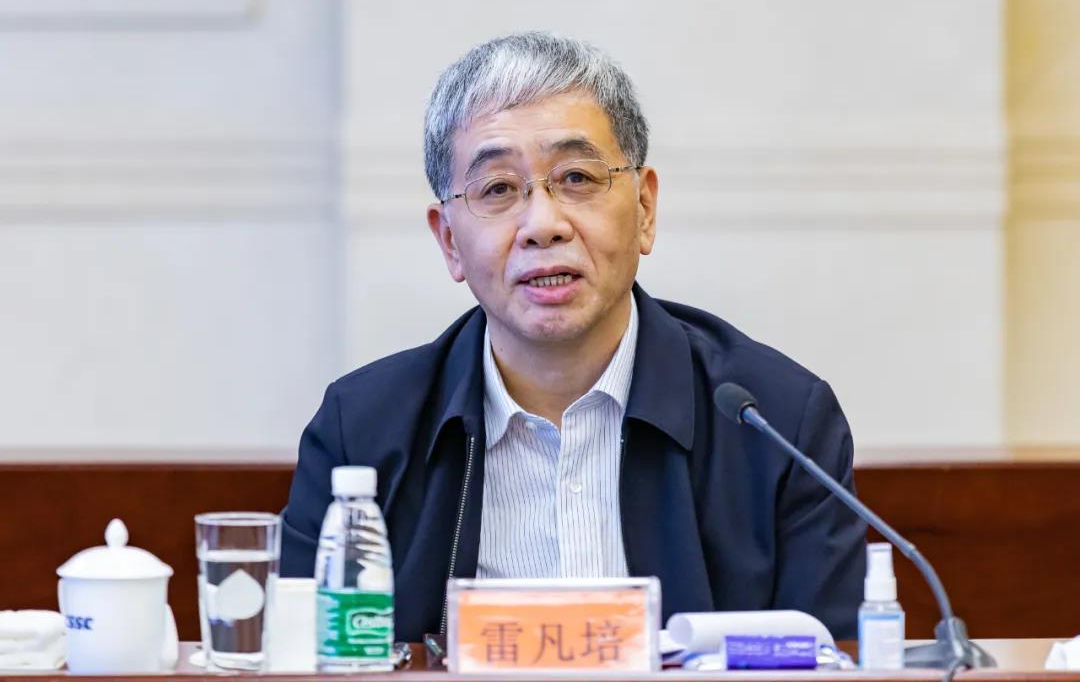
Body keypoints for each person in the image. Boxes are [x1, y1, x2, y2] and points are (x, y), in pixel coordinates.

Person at [280, 32, 866, 640]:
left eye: (578, 178)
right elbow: (299, 664)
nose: (543, 225)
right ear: (449, 241)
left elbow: (835, 664)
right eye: (498, 189)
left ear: (645, 209)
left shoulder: (778, 422)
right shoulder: (361, 431)